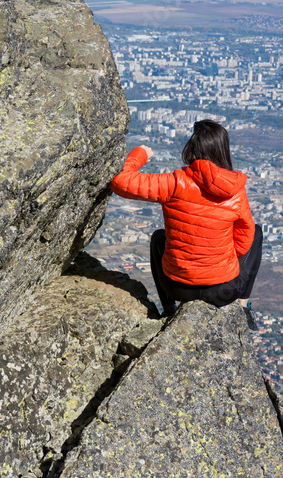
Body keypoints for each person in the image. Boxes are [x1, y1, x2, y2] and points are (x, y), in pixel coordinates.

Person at [109, 120, 262, 330]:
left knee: (158, 238)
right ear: (223, 150)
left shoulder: (173, 182)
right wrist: (221, 260)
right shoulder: (235, 191)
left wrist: (141, 153)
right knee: (256, 232)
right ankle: (243, 305)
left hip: (177, 288)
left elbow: (120, 181)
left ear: (192, 148)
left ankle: (169, 309)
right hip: (224, 291)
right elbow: (245, 239)